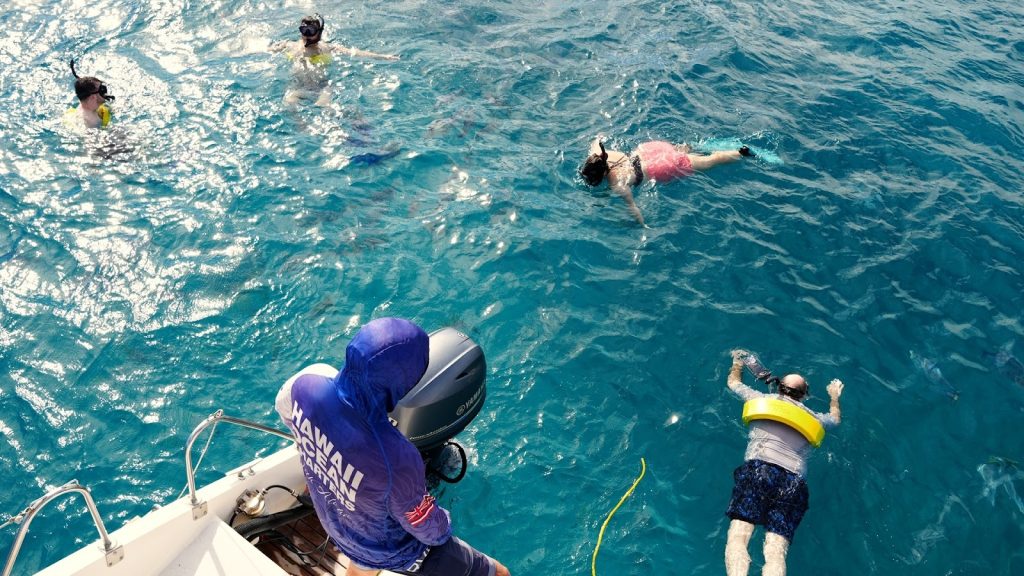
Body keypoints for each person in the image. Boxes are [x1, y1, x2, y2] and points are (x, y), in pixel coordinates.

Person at [275, 317, 510, 576]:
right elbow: (431, 532)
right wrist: (444, 520)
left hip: (334, 524)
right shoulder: (397, 459)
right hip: (389, 551)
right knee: (500, 574)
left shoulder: (306, 384)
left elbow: (287, 413)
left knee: (360, 561)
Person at [722, 349, 844, 576]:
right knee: (776, 550)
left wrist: (737, 362)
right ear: (805, 396)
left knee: (739, 535)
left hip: (759, 471)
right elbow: (835, 419)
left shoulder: (759, 399)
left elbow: (732, 383)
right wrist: (834, 396)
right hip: (793, 483)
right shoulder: (815, 418)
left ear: (779, 388)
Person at [579, 137, 754, 226]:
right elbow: (596, 140)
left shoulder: (616, 183)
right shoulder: (598, 154)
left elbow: (633, 208)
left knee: (709, 162)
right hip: (649, 150)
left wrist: (642, 226)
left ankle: (741, 153)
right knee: (681, 152)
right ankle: (690, 148)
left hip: (659, 167)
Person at [269, 14, 399, 107]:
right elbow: (265, 49)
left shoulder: (328, 48)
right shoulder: (289, 45)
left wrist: (383, 56)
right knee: (290, 101)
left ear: (319, 32)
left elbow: (356, 53)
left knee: (325, 106)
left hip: (322, 87)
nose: (307, 34)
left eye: (311, 31)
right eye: (304, 30)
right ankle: (304, 132)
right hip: (298, 87)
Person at [64, 59, 115, 129]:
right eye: (102, 90)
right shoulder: (86, 122)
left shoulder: (98, 109)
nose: (105, 93)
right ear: (93, 97)